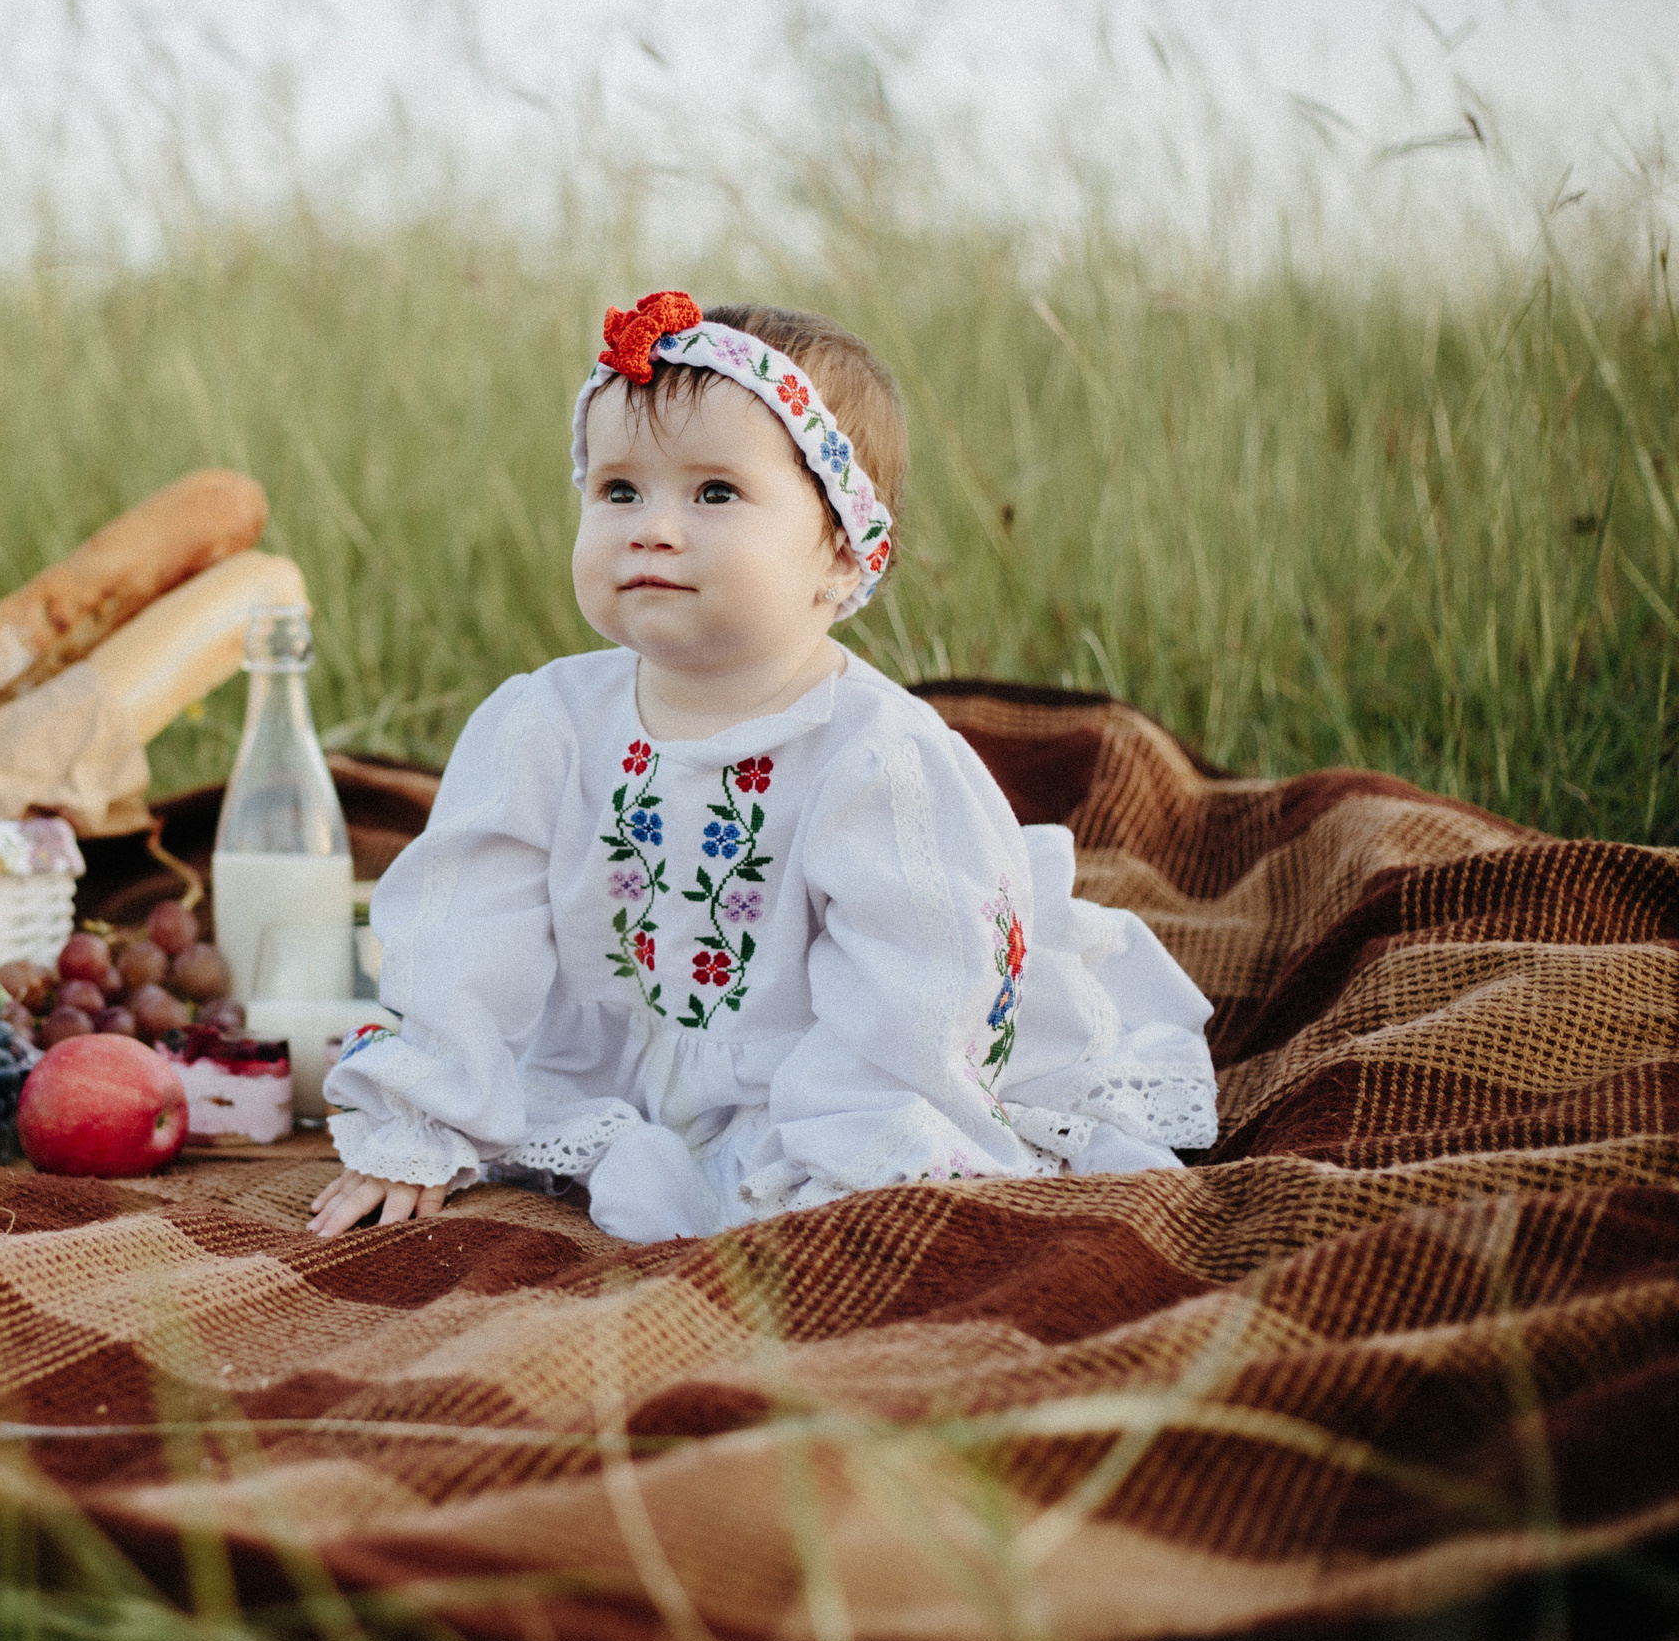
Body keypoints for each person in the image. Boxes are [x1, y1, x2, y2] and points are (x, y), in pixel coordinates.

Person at [307, 291, 1219, 1242]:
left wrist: (848, 1154)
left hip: (827, 1074)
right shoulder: (545, 724)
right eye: (619, 489)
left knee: (867, 1149)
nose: (652, 527)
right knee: (599, 1129)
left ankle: (817, 1160)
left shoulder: (877, 759)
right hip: (611, 1065)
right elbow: (465, 927)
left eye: (714, 493)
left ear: (840, 551)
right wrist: (426, 1115)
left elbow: (914, 984)